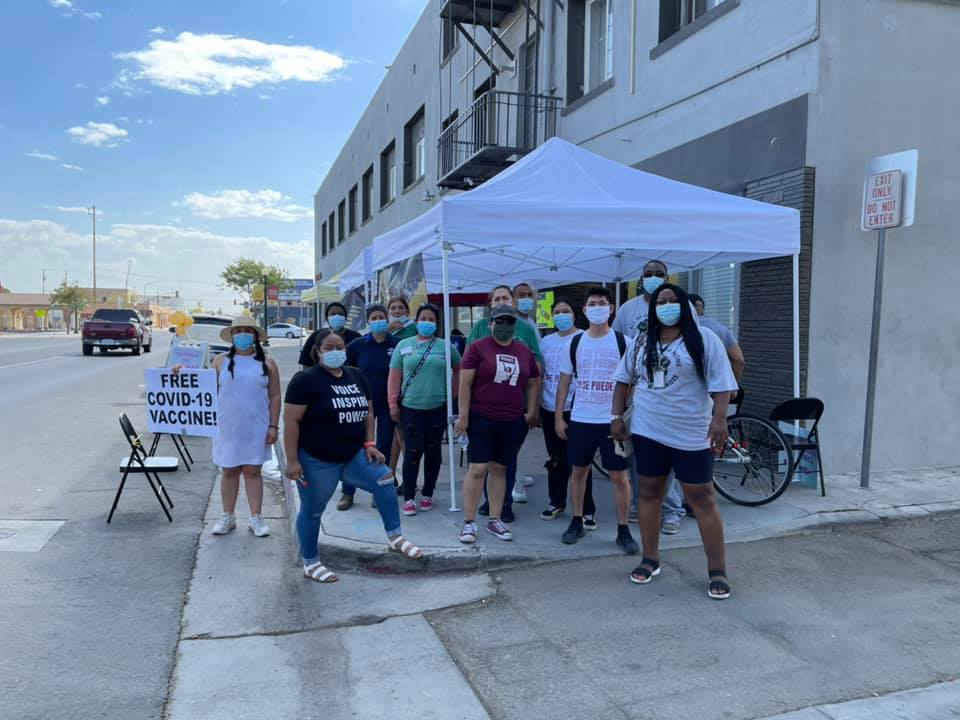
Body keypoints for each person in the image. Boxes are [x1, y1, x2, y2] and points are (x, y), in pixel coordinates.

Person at [611, 283, 738, 599]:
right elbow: (623, 379)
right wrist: (615, 418)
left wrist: (719, 418)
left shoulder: (704, 339)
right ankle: (650, 558)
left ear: (684, 305)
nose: (666, 305)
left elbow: (722, 383)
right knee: (650, 494)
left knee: (701, 497)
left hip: (692, 431)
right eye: (660, 302)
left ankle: (717, 570)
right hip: (648, 428)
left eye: (672, 301)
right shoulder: (642, 340)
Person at [284, 329, 423, 583]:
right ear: (317, 351)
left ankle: (395, 537)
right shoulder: (304, 381)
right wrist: (292, 461)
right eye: (329, 347)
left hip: (353, 455)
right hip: (317, 460)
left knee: (384, 480)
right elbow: (291, 421)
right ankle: (311, 561)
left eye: (340, 346)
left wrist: (369, 442)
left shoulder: (356, 375)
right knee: (313, 511)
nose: (336, 351)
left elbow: (367, 412)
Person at [555, 287, 639, 554]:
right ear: (585, 310)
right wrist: (559, 416)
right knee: (578, 472)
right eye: (592, 303)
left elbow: (635, 380)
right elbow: (565, 382)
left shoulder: (625, 341)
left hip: (612, 421)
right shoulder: (575, 342)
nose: (597, 307)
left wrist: (626, 414)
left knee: (619, 477)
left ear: (611, 308)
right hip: (581, 418)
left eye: (602, 303)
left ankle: (623, 530)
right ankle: (577, 520)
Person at [612, 260, 688, 534]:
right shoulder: (627, 310)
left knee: (672, 459)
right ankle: (639, 504)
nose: (653, 278)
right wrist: (619, 409)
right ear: (640, 278)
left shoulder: (682, 305)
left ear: (668, 277)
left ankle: (671, 510)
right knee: (640, 457)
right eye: (648, 274)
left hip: (675, 398)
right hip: (641, 396)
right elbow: (619, 348)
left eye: (659, 274)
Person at [455, 305, 539, 543]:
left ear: (515, 325)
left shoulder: (523, 350)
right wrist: (463, 417)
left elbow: (533, 381)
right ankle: (469, 522)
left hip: (511, 419)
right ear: (490, 323)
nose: (504, 325)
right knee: (478, 468)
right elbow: (465, 384)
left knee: (500, 468)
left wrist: (531, 411)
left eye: (509, 321)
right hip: (482, 417)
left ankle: (495, 518)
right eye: (499, 320)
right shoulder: (477, 348)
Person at [208, 317, 282, 538]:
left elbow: (275, 395)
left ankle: (256, 517)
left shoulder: (268, 363)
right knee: (229, 470)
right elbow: (202, 389)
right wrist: (179, 371)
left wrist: (273, 425)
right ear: (232, 336)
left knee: (252, 471)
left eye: (247, 331)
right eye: (238, 331)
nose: (242, 335)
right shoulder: (219, 361)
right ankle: (227, 516)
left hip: (256, 427)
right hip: (227, 426)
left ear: (256, 336)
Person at [388, 303, 461, 515]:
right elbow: (394, 377)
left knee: (433, 451)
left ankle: (428, 493)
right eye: (423, 319)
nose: (426, 323)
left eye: (431, 319)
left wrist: (453, 393)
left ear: (436, 324)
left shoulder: (446, 347)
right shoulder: (403, 345)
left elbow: (460, 369)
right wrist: (392, 404)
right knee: (412, 451)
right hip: (409, 408)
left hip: (437, 408)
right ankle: (409, 496)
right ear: (416, 320)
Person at [336, 304, 400, 511]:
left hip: (388, 404)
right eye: (374, 317)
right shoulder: (358, 345)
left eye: (382, 316)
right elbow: (343, 369)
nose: (379, 320)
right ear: (368, 321)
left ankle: (378, 490)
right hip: (361, 404)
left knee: (384, 446)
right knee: (354, 445)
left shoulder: (397, 344)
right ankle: (348, 492)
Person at [538, 298, 595, 521]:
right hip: (549, 407)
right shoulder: (546, 342)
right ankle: (556, 501)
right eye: (557, 312)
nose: (561, 315)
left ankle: (587, 509)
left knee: (580, 461)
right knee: (555, 458)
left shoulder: (583, 338)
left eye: (566, 311)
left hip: (577, 408)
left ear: (574, 314)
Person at [688, 294, 746, 382]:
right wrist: (732, 385)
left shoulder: (678, 329)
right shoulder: (721, 329)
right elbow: (738, 360)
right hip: (718, 388)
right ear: (702, 310)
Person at [300, 302, 361, 367]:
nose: (336, 316)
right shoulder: (316, 336)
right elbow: (306, 362)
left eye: (340, 314)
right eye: (333, 314)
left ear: (345, 318)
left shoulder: (355, 337)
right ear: (327, 318)